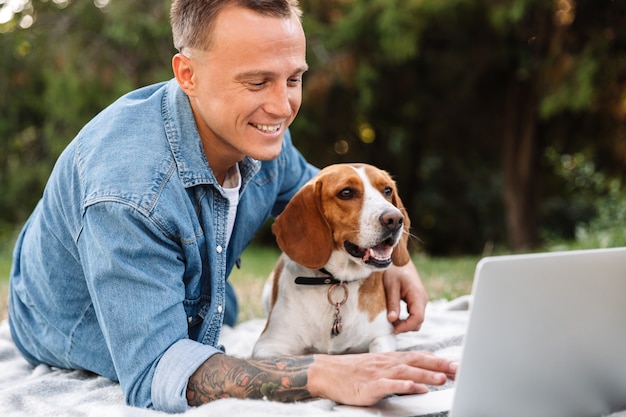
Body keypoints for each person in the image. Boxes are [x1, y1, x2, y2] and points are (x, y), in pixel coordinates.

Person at [8, 0, 457, 413]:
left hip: (197, 297)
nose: (283, 106)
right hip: (66, 325)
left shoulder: (257, 129)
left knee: (222, 312)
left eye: (294, 78)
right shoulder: (128, 194)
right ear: (188, 75)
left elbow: (319, 195)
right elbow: (157, 370)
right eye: (257, 81)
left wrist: (391, 256)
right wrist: (323, 374)